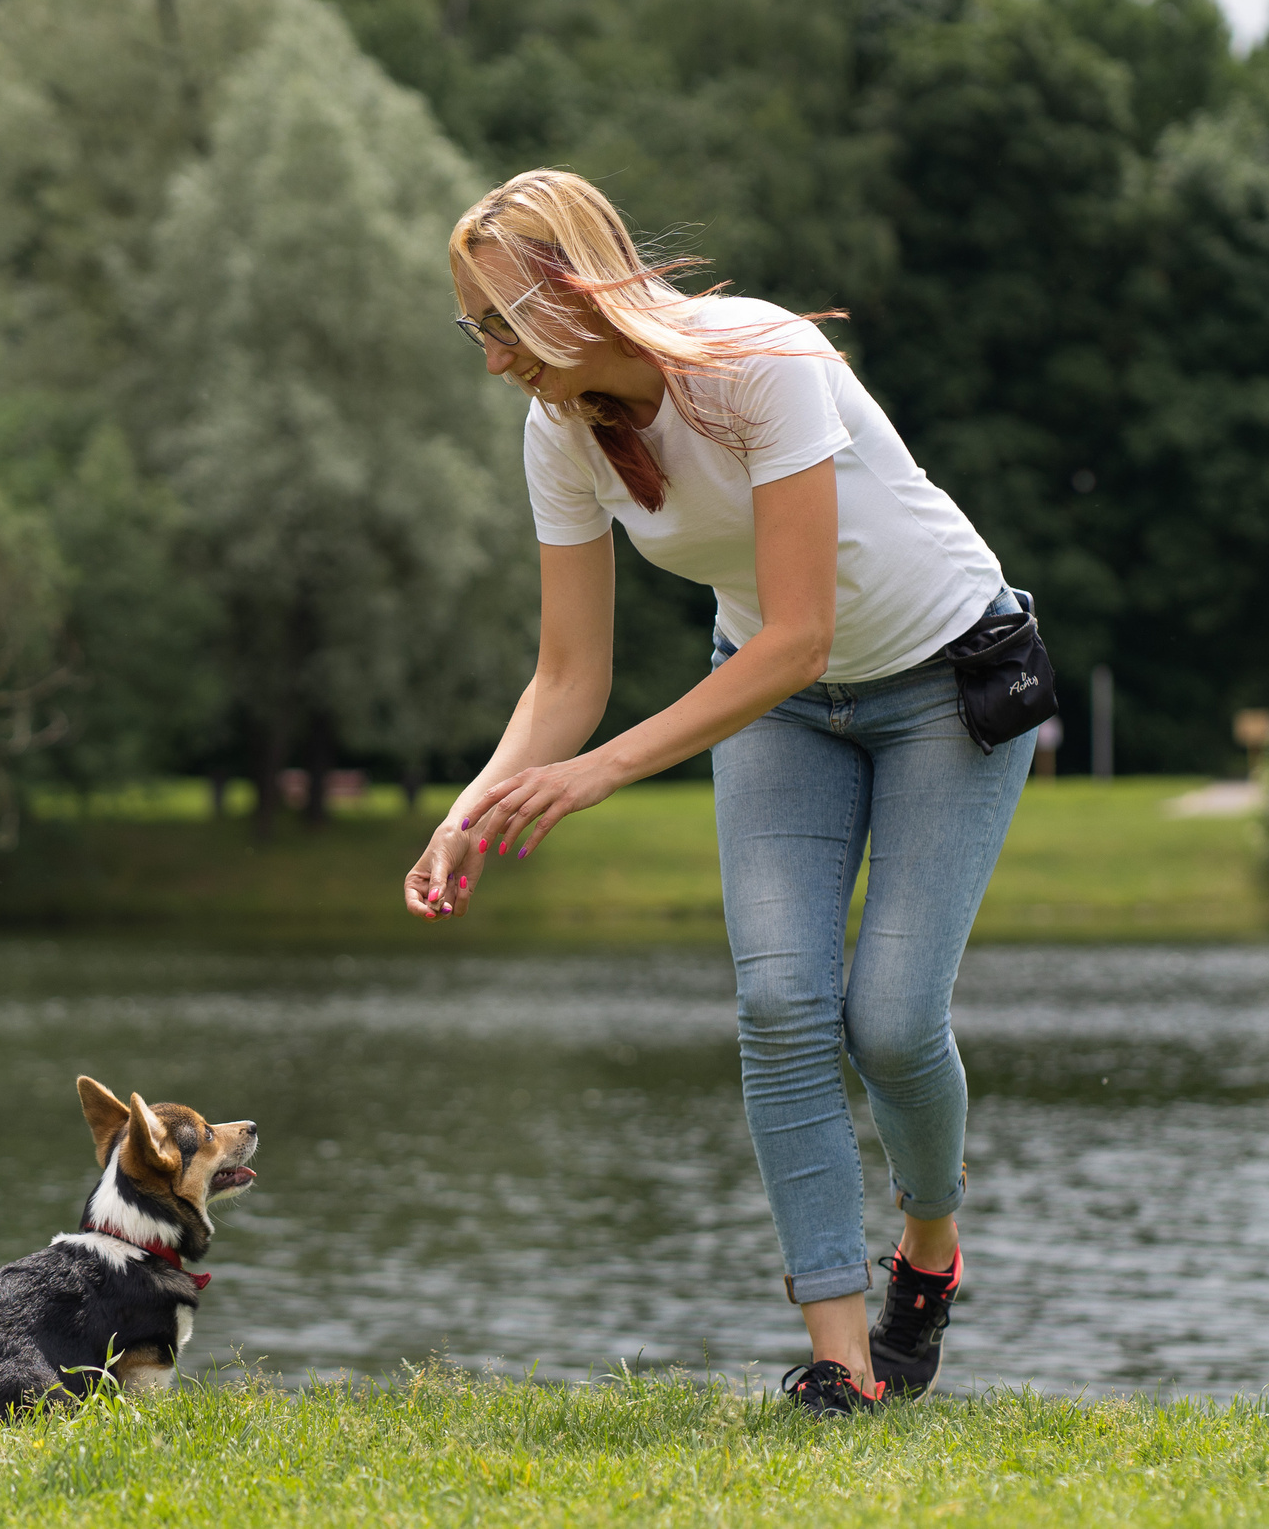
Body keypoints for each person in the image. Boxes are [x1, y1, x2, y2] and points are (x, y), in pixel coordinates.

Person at [403, 170, 1036, 1419]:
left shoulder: (760, 359)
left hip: (944, 684)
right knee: (783, 1005)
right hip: (778, 711)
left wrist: (598, 776)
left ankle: (928, 1249)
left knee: (895, 1022)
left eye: (501, 325)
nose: (492, 362)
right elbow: (567, 674)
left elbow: (799, 630)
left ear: (575, 289)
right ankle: (840, 1367)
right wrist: (475, 801)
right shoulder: (560, 433)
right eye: (472, 332)